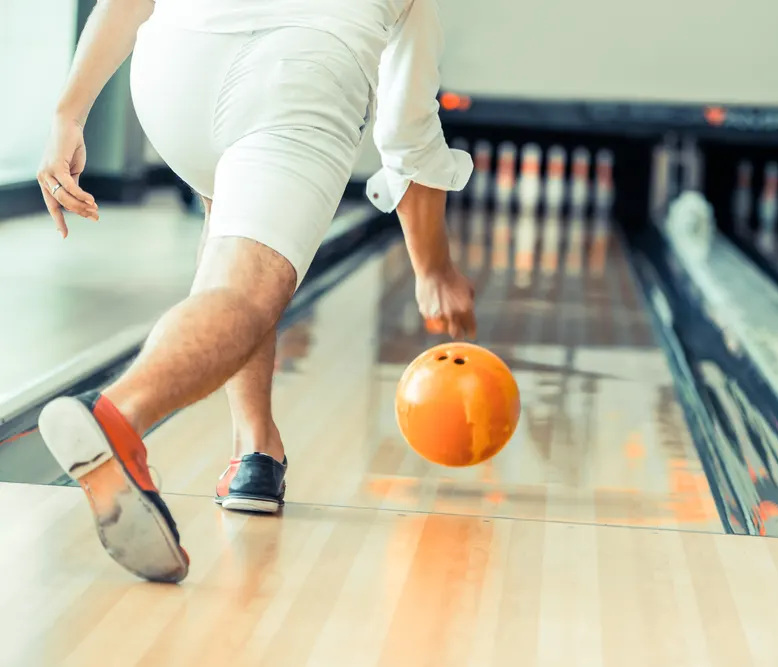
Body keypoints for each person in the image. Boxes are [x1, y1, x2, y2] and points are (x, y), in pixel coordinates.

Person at [34, 0, 476, 584]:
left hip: (173, 71)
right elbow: (406, 130)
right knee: (247, 289)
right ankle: (118, 414)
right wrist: (434, 268)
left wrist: (68, 113)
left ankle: (256, 452)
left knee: (238, 242)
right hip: (298, 75)